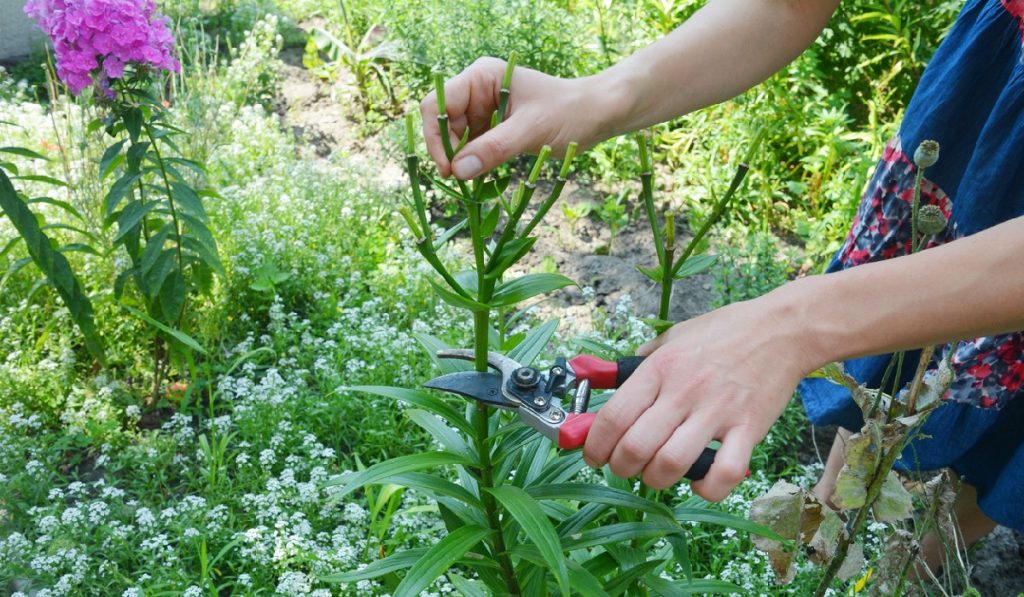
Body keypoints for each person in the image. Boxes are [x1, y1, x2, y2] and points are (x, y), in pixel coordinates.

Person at [420, 0, 1024, 571]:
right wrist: (600, 94)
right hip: (985, 102)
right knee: (886, 384)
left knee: (1003, 446)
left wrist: (791, 325)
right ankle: (818, 547)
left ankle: (920, 571)